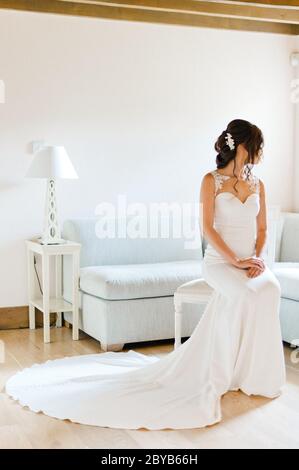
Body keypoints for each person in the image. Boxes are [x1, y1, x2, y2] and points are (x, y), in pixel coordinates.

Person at [5, 119, 286, 430]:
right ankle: (222, 371)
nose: (261, 152)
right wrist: (235, 260)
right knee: (245, 294)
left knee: (269, 289)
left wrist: (256, 259)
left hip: (252, 262)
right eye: (258, 145)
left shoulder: (258, 184)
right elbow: (207, 228)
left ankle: (254, 374)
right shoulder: (211, 181)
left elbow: (262, 229)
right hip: (220, 263)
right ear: (243, 147)